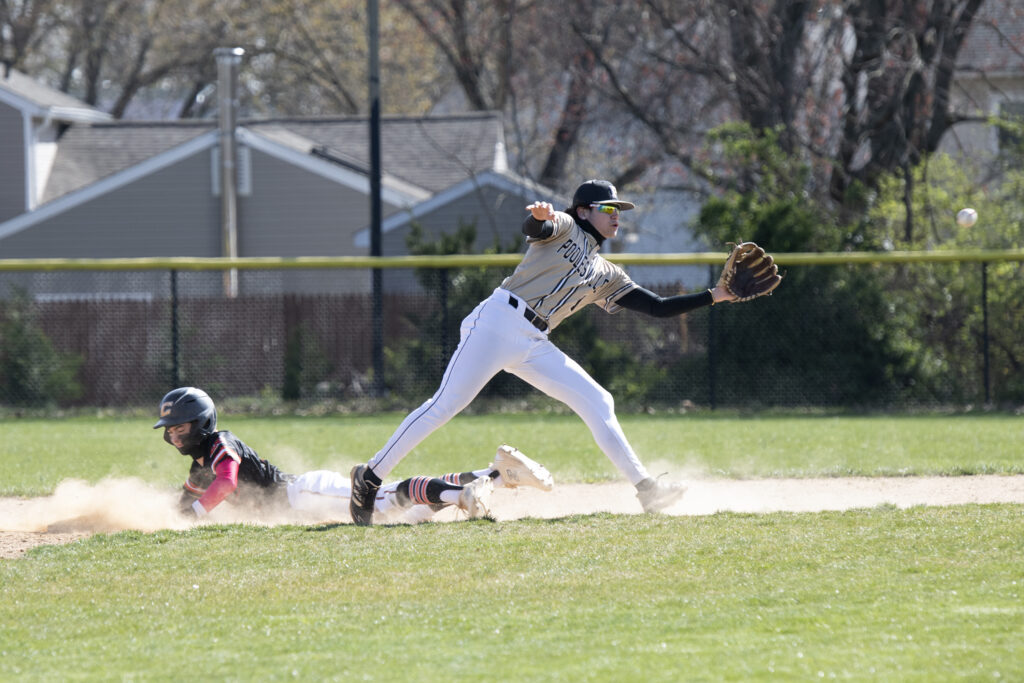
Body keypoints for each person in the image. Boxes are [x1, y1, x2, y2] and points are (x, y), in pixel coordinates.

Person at [350, 179, 745, 525]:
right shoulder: (568, 226)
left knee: (598, 399)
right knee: (444, 406)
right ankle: (369, 477)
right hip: (498, 321)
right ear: (584, 210)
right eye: (608, 208)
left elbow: (657, 307)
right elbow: (538, 226)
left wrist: (716, 295)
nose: (616, 215)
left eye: (618, 209)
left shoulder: (607, 273)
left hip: (533, 342)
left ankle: (646, 489)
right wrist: (540, 218)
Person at [154, 387, 554, 525]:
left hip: (303, 495)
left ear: (201, 423)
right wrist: (173, 515)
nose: (174, 435)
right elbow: (189, 493)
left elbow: (225, 483)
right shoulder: (200, 462)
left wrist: (194, 516)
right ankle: (498, 474)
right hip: (305, 501)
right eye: (170, 430)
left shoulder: (221, 444)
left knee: (387, 499)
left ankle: (459, 496)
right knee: (405, 513)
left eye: (180, 427)